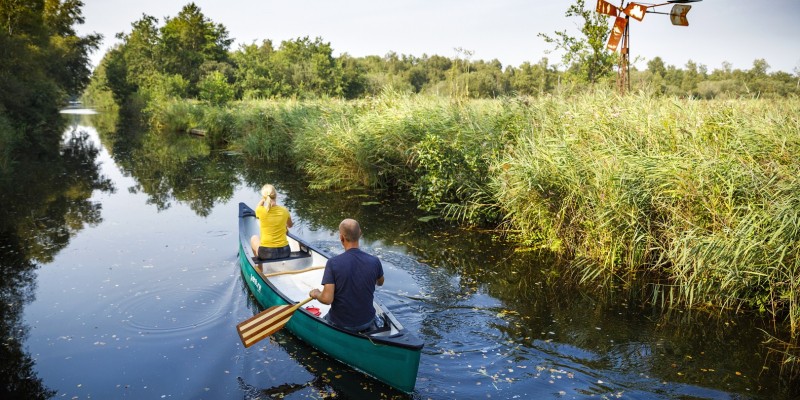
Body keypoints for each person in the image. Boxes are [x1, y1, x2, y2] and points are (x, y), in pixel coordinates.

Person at [309, 218, 384, 332]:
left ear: (341, 237)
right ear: (360, 234)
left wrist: (316, 294)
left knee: (317, 326)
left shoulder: (333, 263)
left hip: (341, 324)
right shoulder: (374, 261)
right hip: (367, 321)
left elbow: (327, 299)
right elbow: (380, 282)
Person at [250, 184, 293, 260]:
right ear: (276, 195)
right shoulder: (284, 210)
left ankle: (260, 269)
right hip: (285, 252)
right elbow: (290, 225)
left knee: (254, 238)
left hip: (266, 253)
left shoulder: (260, 210)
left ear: (264, 197)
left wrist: (263, 199)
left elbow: (257, 208)